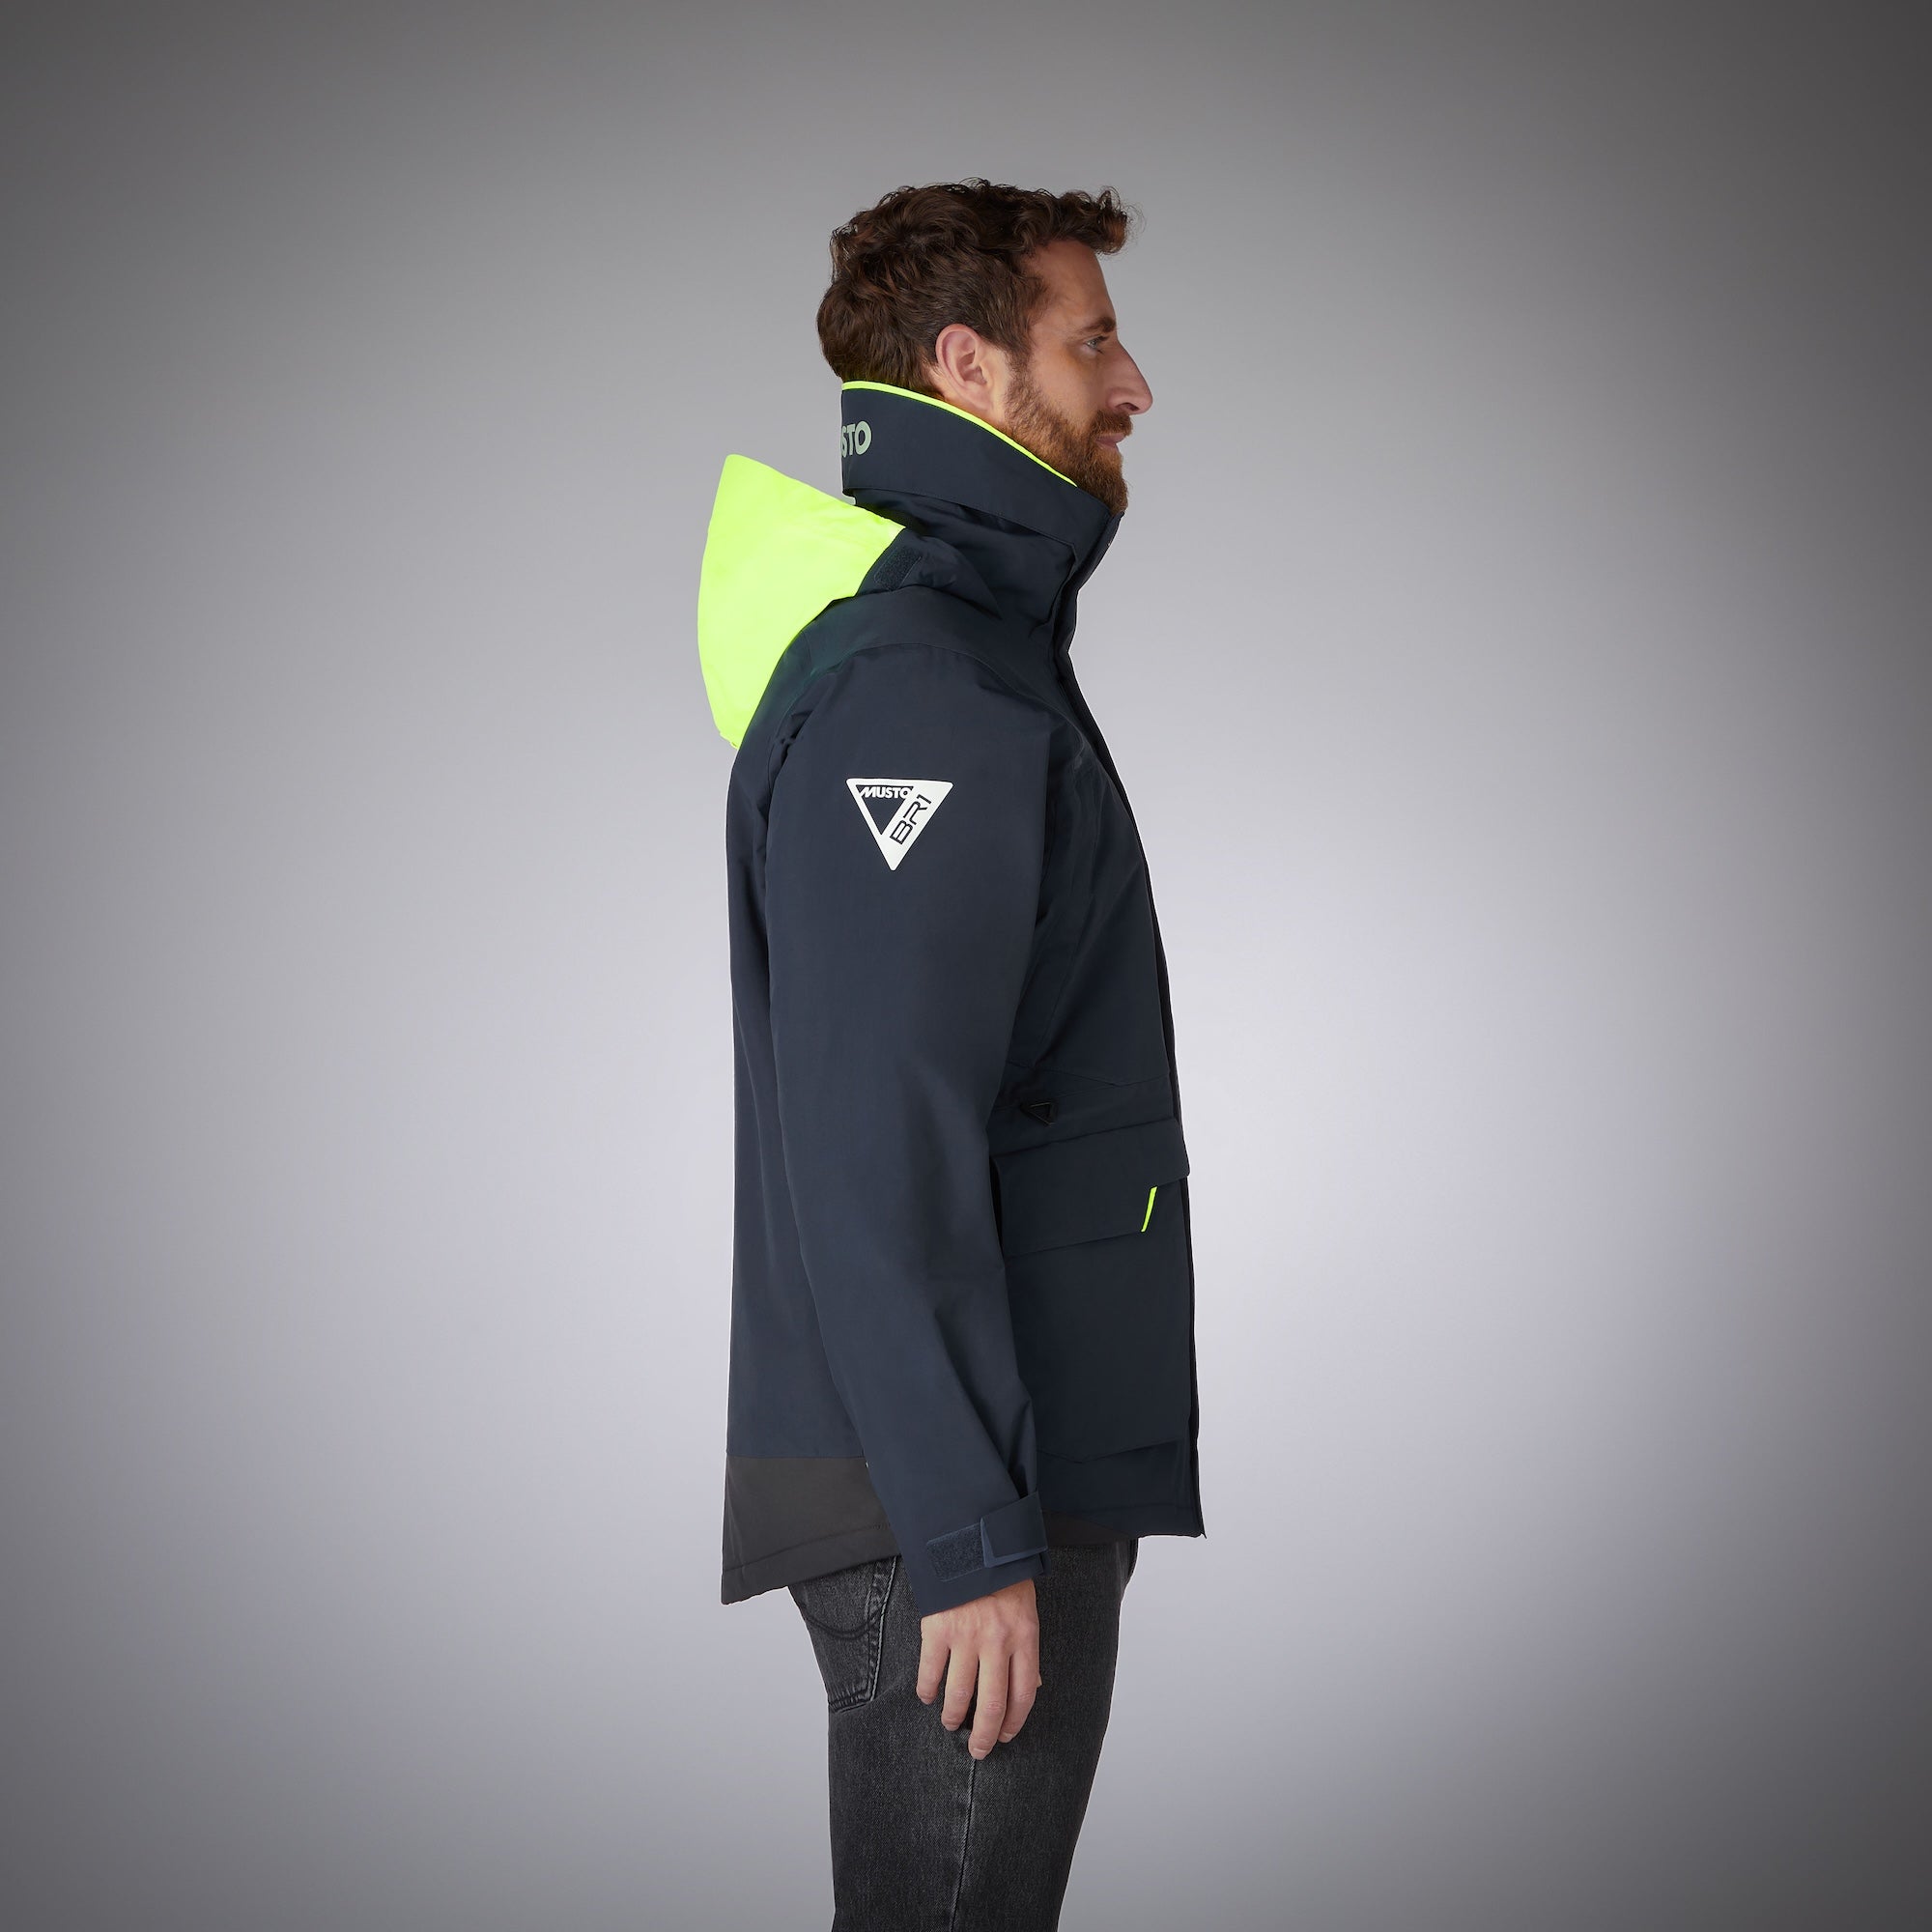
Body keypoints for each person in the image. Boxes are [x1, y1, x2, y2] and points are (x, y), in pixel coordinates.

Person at [696, 178, 1205, 1929]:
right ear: (969, 367)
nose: (1133, 386)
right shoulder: (923, 685)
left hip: (985, 1467)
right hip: (962, 1497)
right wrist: (973, 1534)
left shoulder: (970, 660)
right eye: (1092, 343)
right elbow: (877, 1139)